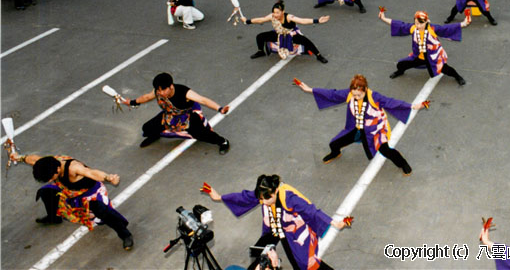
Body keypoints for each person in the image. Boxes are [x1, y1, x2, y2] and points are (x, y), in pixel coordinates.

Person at [204, 174, 346, 270]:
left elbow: (311, 211)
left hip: (294, 229)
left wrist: (335, 223)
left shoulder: (289, 197)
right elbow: (246, 197)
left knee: (304, 262)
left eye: (266, 199)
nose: (263, 202)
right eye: (261, 199)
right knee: (260, 250)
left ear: (274, 193)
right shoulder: (264, 191)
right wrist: (220, 197)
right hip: (275, 225)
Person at [294, 74, 426, 174]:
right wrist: (311, 90)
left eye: (358, 95)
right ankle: (336, 152)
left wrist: (413, 106)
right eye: (354, 94)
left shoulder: (375, 97)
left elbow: (392, 102)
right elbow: (332, 94)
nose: (355, 97)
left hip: (374, 130)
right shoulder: (349, 94)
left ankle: (402, 163)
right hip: (357, 128)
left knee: (385, 150)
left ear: (365, 89)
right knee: (334, 143)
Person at [10, 152, 133, 250]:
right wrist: (18, 157)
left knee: (100, 211)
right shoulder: (47, 163)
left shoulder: (74, 168)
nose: (49, 180)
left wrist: (108, 178)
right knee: (45, 191)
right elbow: (31, 159)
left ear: (58, 170)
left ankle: (125, 234)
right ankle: (54, 217)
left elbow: (92, 173)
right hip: (69, 192)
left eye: (50, 178)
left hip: (90, 194)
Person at [123, 72, 230, 153]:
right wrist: (132, 102)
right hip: (170, 116)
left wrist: (220, 109)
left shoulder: (183, 92)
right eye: (158, 90)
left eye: (162, 90)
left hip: (187, 117)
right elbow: (146, 97)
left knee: (202, 135)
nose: (160, 93)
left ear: (171, 86)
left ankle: (223, 141)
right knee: (146, 128)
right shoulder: (158, 91)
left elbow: (203, 100)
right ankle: (155, 135)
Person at [378, 8, 467, 85]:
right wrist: (384, 18)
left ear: (427, 21)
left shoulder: (432, 29)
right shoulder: (413, 28)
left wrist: (463, 23)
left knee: (446, 69)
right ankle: (400, 71)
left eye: (421, 23)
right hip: (419, 56)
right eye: (416, 23)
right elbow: (399, 25)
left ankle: (458, 77)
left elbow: (447, 28)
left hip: (432, 57)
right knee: (401, 64)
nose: (419, 26)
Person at [245, 0, 329, 63]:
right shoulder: (272, 16)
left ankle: (319, 55)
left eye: (277, 13)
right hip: (279, 34)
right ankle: (261, 51)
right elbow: (261, 20)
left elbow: (302, 20)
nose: (275, 15)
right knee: (260, 36)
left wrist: (317, 21)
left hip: (290, 34)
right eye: (274, 12)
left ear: (282, 12)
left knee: (305, 40)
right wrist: (247, 21)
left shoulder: (288, 17)